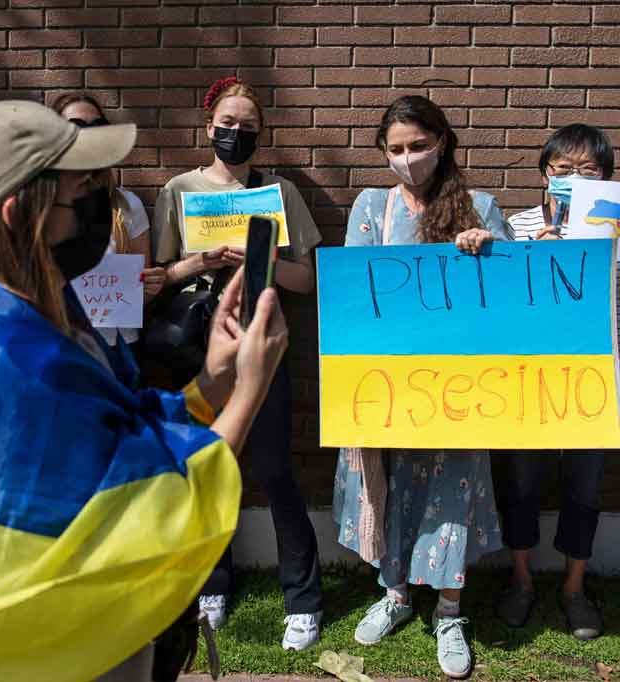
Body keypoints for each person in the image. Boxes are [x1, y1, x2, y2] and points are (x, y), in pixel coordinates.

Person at [0, 100, 288, 682]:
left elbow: (116, 428)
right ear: (19, 211)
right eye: (82, 189)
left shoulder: (44, 315)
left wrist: (212, 383)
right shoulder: (2, 355)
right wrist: (251, 387)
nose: (99, 202)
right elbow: (145, 509)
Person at [333, 95, 512, 679]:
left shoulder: (479, 205)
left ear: (442, 142)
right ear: (384, 153)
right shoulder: (370, 207)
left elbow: (513, 298)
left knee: (452, 490)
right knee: (391, 486)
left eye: (418, 145)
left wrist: (489, 253)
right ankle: (397, 594)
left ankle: (451, 611)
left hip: (460, 389)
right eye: (397, 149)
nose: (408, 158)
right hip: (388, 385)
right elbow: (356, 289)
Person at [151, 76, 325, 651]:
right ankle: (210, 585)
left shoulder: (280, 194)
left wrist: (267, 260)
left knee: (273, 468)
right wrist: (198, 260)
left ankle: (302, 598)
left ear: (261, 135)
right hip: (196, 344)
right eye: (227, 124)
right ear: (208, 128)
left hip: (260, 339)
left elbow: (309, 277)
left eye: (248, 127)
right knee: (203, 465)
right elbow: (158, 277)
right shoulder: (179, 189)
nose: (236, 134)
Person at [497, 124, 613, 640]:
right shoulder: (517, 224)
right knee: (521, 479)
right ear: (544, 173)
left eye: (588, 170)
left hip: (595, 378)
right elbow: (499, 302)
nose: (573, 178)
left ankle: (574, 587)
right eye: (562, 169)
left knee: (585, 483)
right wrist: (533, 262)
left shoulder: (615, 224)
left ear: (607, 178)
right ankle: (520, 578)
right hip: (529, 377)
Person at [51, 93, 165, 352]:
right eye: (76, 126)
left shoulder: (127, 205)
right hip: (58, 342)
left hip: (116, 346)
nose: (88, 135)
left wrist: (148, 289)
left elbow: (136, 293)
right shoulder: (37, 206)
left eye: (97, 126)